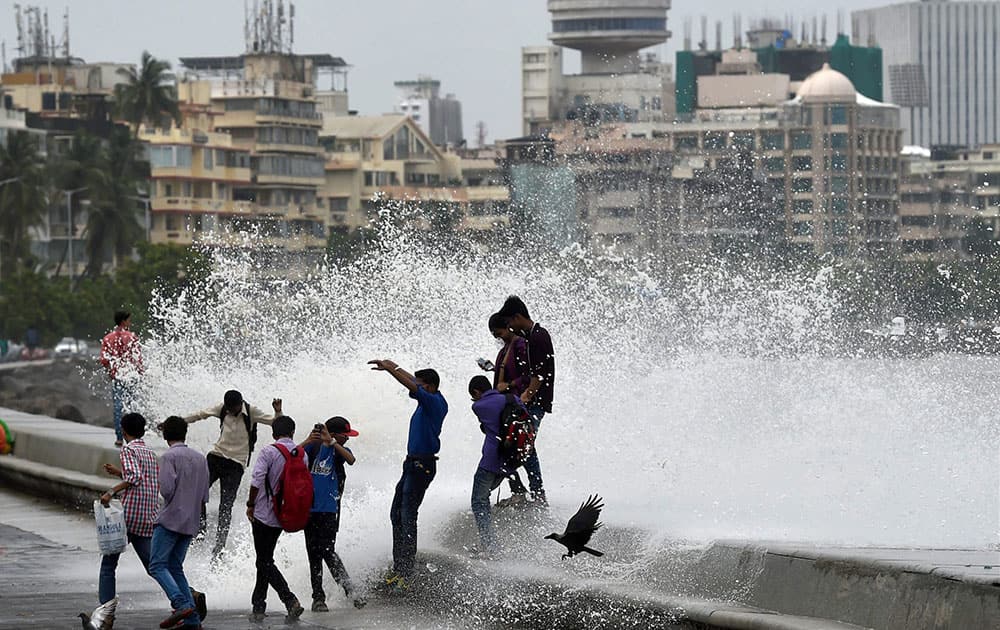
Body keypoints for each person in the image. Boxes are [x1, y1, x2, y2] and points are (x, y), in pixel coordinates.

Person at [368, 359, 448, 588]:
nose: (416, 388)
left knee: (407, 515)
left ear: (430, 386)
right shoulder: (427, 399)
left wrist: (391, 372)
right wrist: (391, 364)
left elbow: (411, 386)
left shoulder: (434, 402)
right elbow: (413, 381)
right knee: (396, 514)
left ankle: (406, 572)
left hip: (422, 466)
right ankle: (398, 569)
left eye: (421, 386)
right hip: (411, 464)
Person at [184, 390, 282, 558]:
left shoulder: (251, 411)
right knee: (196, 492)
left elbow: (276, 423)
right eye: (228, 409)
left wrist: (278, 410)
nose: (229, 411)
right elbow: (200, 415)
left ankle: (219, 546)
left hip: (236, 464)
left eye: (232, 408)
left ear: (240, 404)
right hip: (217, 456)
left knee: (226, 505)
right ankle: (199, 531)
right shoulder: (222, 408)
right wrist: (176, 423)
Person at [149, 416, 209, 630]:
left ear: (165, 435)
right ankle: (192, 621)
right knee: (175, 566)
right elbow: (204, 494)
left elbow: (166, 489)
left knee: (156, 565)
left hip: (171, 519)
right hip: (190, 521)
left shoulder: (169, 457)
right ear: (185, 433)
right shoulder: (200, 458)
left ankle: (181, 603)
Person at [299, 417, 363, 612]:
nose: (348, 439)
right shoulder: (314, 448)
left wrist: (333, 442)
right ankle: (318, 598)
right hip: (309, 510)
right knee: (314, 555)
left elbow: (351, 460)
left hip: (330, 510)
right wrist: (308, 440)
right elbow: (291, 455)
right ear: (335, 433)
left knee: (328, 551)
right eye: (346, 436)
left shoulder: (337, 450)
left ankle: (350, 591)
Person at [247, 415, 306, 623]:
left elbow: (256, 481)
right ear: (293, 432)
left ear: (273, 434)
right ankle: (258, 606)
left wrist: (250, 504)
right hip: (285, 514)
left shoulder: (268, 451)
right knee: (264, 559)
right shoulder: (301, 453)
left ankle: (289, 600)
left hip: (264, 513)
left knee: (264, 561)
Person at [498, 296, 555, 506]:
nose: (510, 328)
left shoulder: (539, 337)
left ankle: (537, 494)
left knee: (524, 446)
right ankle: (527, 492)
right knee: (521, 445)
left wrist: (526, 396)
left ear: (517, 317)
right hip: (531, 401)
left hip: (536, 402)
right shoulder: (530, 336)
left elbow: (540, 374)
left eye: (510, 323)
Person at [98, 412, 159, 605]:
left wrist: (110, 492)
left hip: (129, 515)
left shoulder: (127, 450)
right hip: (147, 514)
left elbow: (134, 478)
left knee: (108, 564)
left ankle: (105, 612)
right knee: (154, 566)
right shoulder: (149, 452)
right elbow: (142, 478)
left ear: (123, 431)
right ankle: (187, 596)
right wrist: (119, 472)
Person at [468, 375, 513, 554]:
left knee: (478, 501)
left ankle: (490, 546)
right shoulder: (512, 398)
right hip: (510, 461)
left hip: (491, 459)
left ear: (477, 392)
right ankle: (490, 542)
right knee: (485, 495)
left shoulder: (478, 406)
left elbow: (487, 426)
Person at [99, 311, 143, 447]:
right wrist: (140, 372)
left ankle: (119, 437)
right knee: (131, 406)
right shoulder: (132, 337)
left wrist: (110, 372)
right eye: (129, 321)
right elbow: (138, 358)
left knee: (118, 407)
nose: (130, 323)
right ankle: (132, 437)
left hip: (117, 376)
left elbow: (104, 360)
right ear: (124, 321)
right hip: (130, 376)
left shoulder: (108, 338)